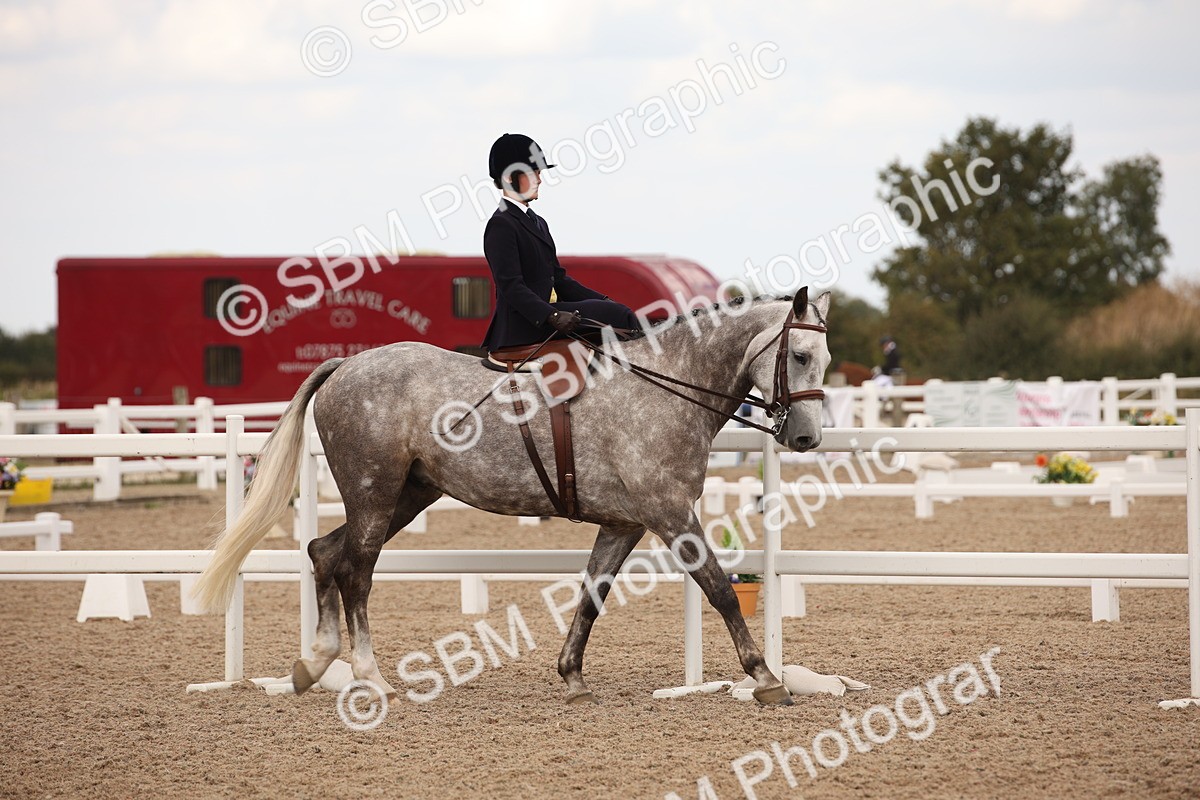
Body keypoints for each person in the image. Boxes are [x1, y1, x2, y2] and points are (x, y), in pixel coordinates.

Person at [480, 132, 639, 353]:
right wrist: (551, 315)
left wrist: (603, 300)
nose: (539, 179)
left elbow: (559, 279)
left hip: (547, 316)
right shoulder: (501, 224)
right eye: (532, 172)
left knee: (617, 312)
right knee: (620, 316)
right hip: (525, 324)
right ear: (508, 177)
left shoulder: (538, 222)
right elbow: (511, 287)